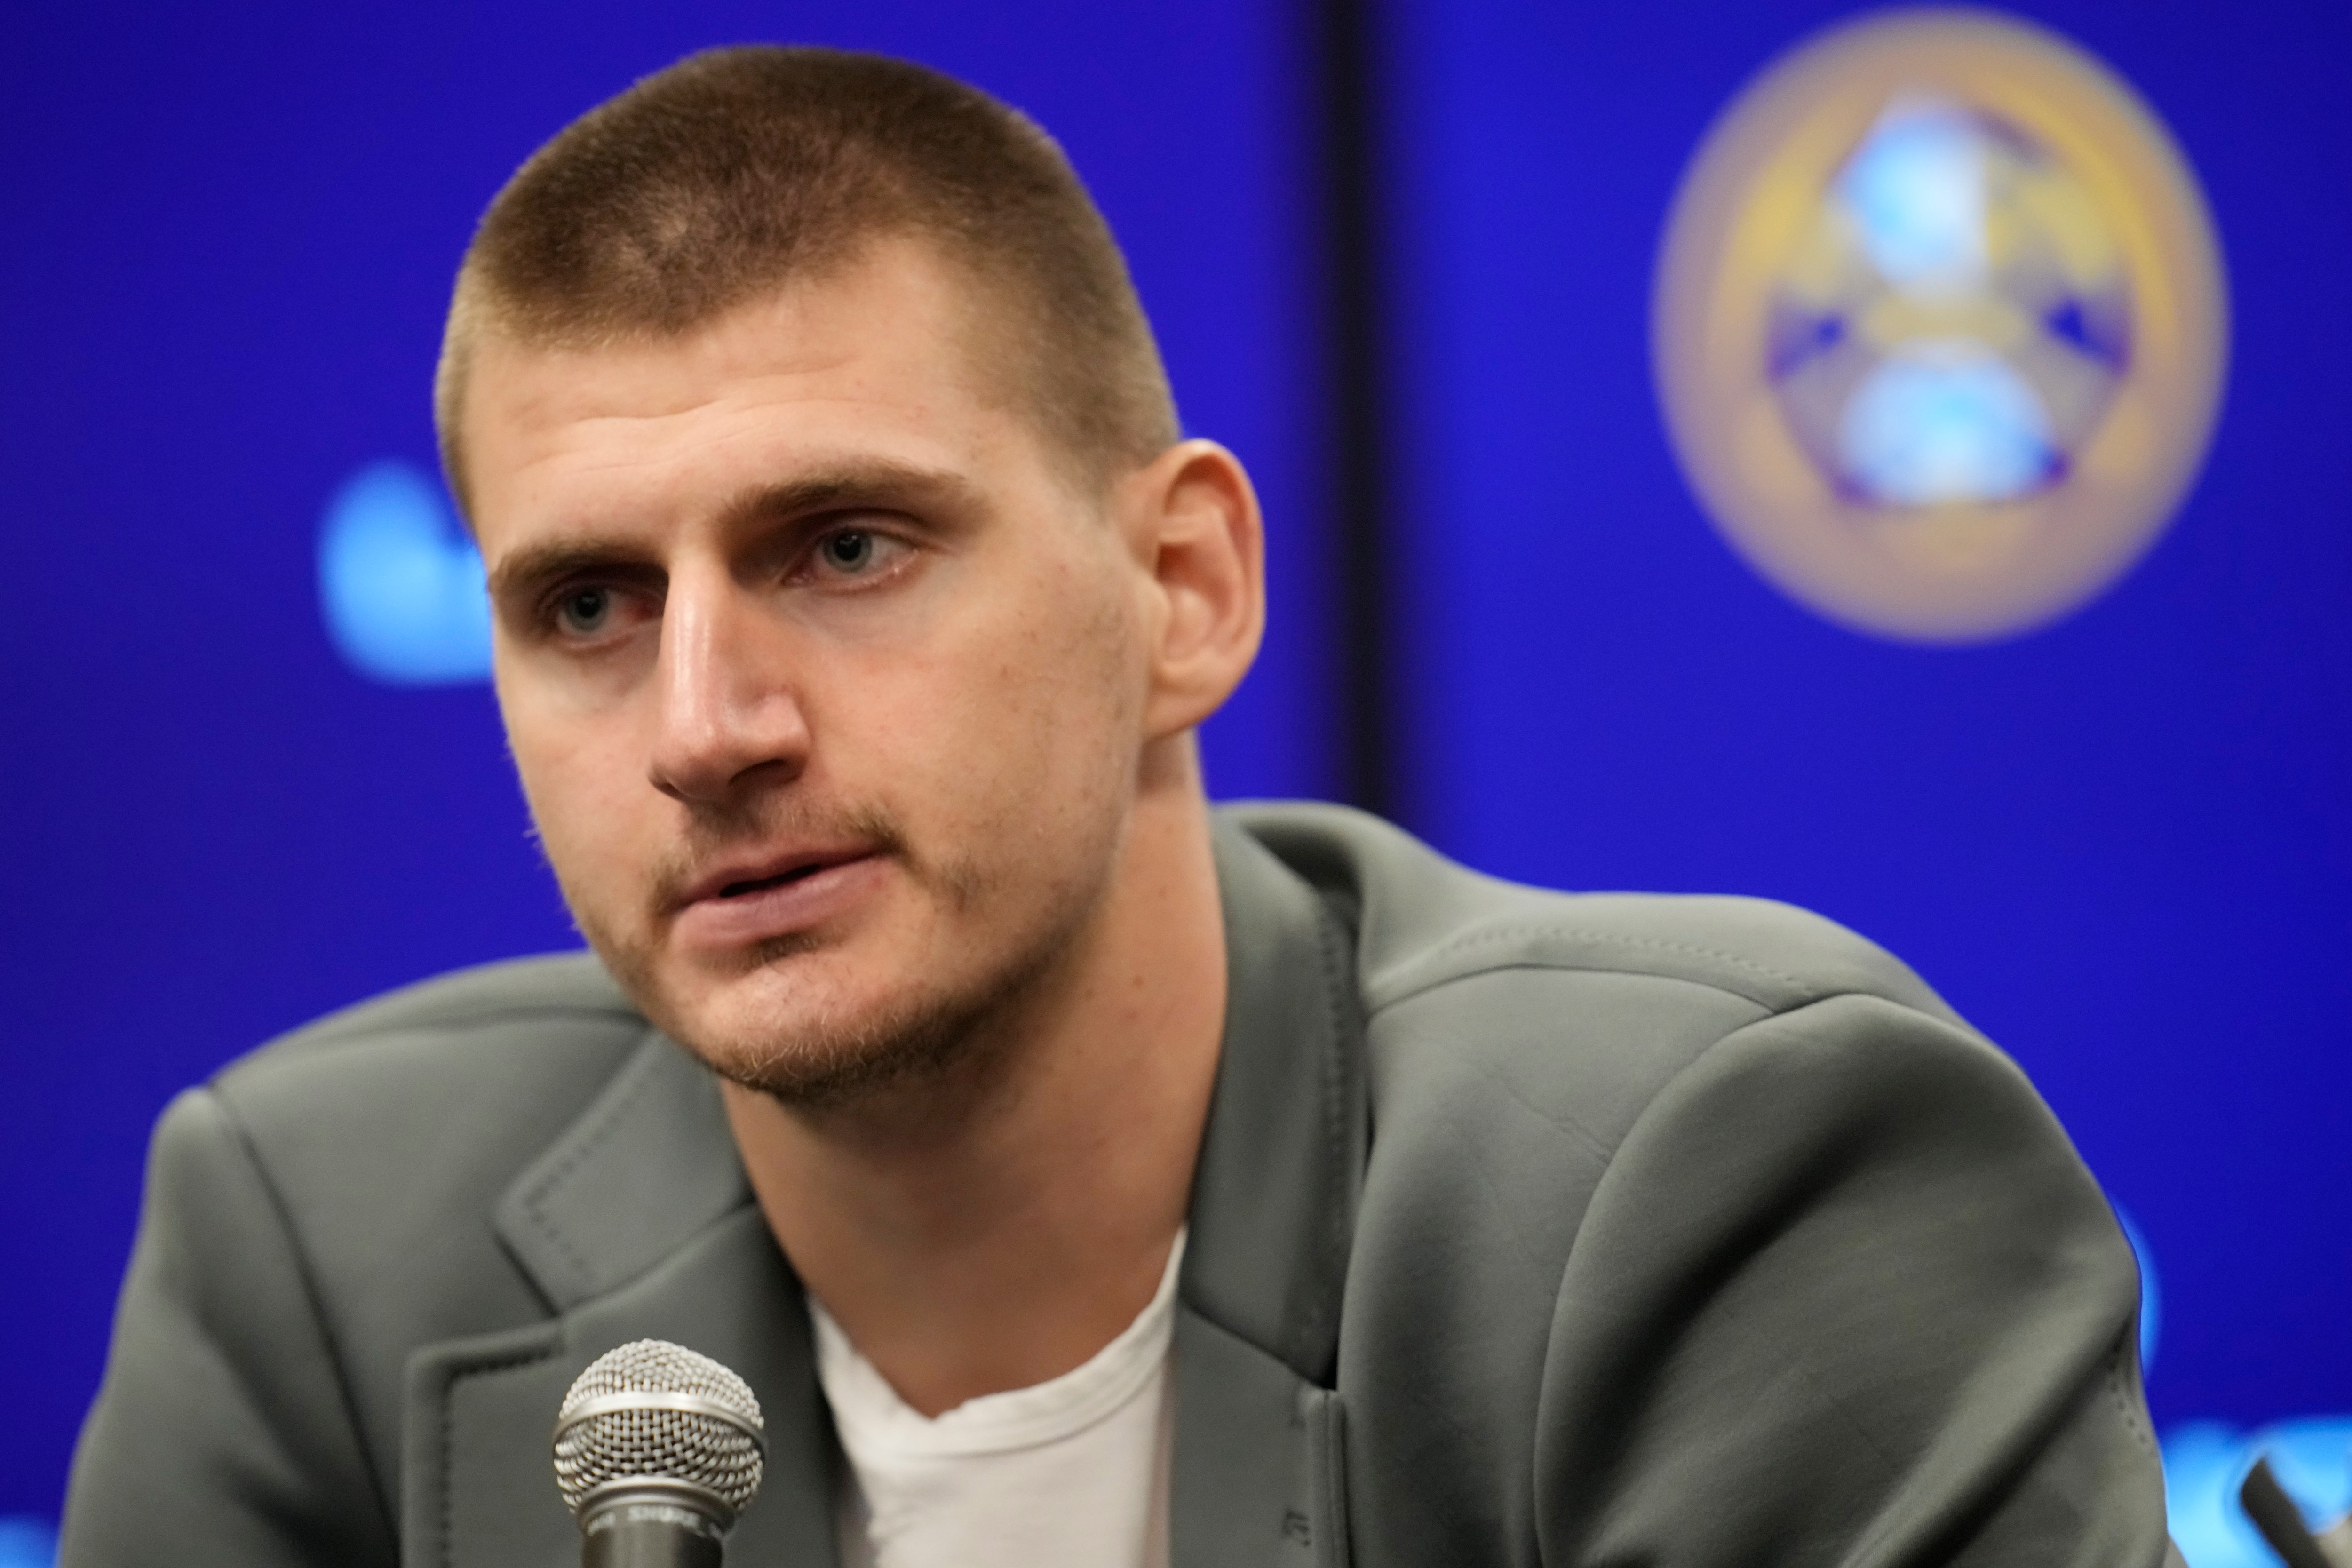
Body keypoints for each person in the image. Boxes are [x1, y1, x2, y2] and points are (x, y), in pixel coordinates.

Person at [61, 45, 2177, 1568]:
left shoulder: (1722, 1184)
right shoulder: (314, 1251)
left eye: (846, 548)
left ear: (1181, 594)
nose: (703, 724)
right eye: (587, 602)